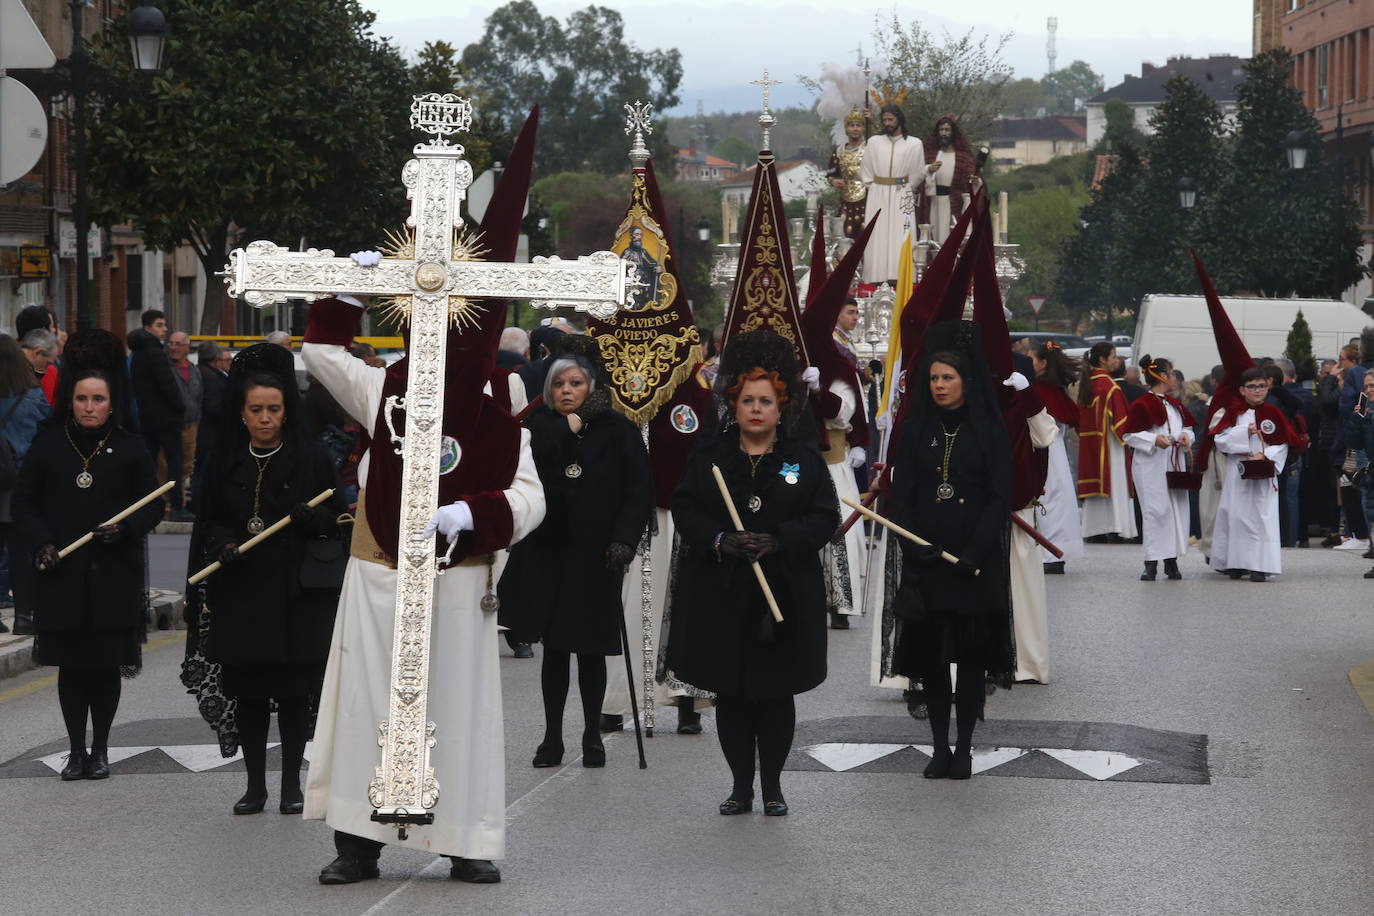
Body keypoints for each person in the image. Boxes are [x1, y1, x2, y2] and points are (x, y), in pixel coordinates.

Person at [668, 343, 837, 816]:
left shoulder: (802, 459)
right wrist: (720, 538)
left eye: (765, 401)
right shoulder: (711, 457)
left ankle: (774, 787)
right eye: (748, 401)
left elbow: (825, 516)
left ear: (781, 407)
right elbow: (686, 508)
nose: (756, 409)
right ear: (733, 406)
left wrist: (779, 539)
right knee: (733, 694)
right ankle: (740, 786)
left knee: (775, 694)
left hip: (784, 592)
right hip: (722, 594)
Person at [182, 344, 344, 815]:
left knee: (294, 695)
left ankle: (292, 784)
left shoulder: (311, 458)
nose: (266, 418)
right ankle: (255, 785)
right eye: (257, 410)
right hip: (243, 591)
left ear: (286, 411)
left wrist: (312, 519)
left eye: (274, 410)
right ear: (242, 413)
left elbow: (337, 517)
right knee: (249, 694)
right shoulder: (223, 461)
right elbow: (208, 518)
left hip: (296, 595)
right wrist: (223, 543)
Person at [14, 330, 162, 780]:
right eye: (82, 399)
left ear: (111, 402)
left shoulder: (131, 447)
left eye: (98, 399)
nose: (90, 407)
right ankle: (75, 751)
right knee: (72, 668)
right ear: (71, 400)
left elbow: (153, 504)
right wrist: (42, 542)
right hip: (63, 572)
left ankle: (101, 750)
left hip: (113, 574)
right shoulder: (49, 444)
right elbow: (24, 503)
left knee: (103, 667)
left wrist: (126, 527)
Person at [498, 355, 652, 767]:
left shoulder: (619, 430)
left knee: (589, 648)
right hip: (548, 551)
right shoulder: (537, 428)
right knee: (555, 650)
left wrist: (624, 541)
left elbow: (637, 491)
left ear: (592, 387)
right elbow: (524, 466)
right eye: (559, 384)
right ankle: (551, 737)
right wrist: (571, 425)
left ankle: (590, 735)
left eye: (576, 383)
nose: (567, 391)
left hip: (598, 554)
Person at [889, 322, 1014, 780]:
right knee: (934, 663)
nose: (939, 386)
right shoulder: (917, 428)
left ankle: (964, 748)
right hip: (929, 564)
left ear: (965, 381)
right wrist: (914, 543)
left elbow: (1000, 496)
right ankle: (939, 747)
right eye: (933, 379)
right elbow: (901, 496)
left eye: (947, 378)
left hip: (973, 566)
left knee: (972, 663)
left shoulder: (987, 430)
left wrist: (976, 551)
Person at [1209, 368, 1296, 582]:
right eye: (1252, 387)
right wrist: (1242, 433)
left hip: (1264, 472)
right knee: (1236, 515)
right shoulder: (1233, 413)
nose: (1257, 391)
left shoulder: (1274, 414)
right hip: (1238, 471)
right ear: (1242, 389)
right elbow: (1220, 440)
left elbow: (1283, 443)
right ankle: (1236, 563)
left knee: (1261, 516)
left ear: (1267, 387)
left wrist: (1264, 455)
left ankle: (1260, 565)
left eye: (1261, 386)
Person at [815, 297, 870, 629]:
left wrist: (818, 391)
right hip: (793, 461)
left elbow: (845, 410)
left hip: (832, 461)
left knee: (840, 529)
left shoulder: (840, 361)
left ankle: (839, 600)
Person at [1122, 357, 1194, 581]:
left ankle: (1171, 561)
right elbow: (1129, 434)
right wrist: (1154, 440)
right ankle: (1151, 561)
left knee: (1175, 510)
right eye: (1172, 374)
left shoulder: (1175, 405)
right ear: (1162, 377)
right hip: (1151, 465)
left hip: (1173, 463)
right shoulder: (1143, 403)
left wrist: (1185, 437)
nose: (1175, 378)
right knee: (1156, 511)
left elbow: (1188, 429)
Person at [0, 335, 51, 633]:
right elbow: (44, 438)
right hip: (21, 485)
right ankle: (23, 616)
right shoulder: (32, 395)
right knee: (21, 553)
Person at [128, 310, 188, 520]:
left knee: (150, 463)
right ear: (148, 328)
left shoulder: (137, 352)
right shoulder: (155, 352)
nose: (164, 329)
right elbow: (167, 384)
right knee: (175, 462)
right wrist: (181, 406)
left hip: (147, 416)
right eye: (160, 325)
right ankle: (177, 506)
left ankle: (147, 504)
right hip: (166, 417)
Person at [1031, 342, 1083, 574]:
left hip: (1044, 449)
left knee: (1048, 499)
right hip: (1054, 450)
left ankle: (1050, 552)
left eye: (1031, 359)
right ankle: (1055, 550)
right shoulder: (1053, 390)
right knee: (1056, 499)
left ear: (1042, 363)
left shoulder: (1040, 390)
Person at [859, 104, 924, 285]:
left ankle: (901, 278)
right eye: (884, 120)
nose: (887, 123)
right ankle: (875, 279)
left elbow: (918, 172)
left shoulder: (914, 143)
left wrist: (905, 189)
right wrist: (874, 187)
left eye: (891, 119)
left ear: (899, 119)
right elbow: (865, 169)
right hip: (877, 193)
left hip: (902, 192)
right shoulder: (874, 142)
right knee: (876, 235)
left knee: (901, 234)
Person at [1077, 342, 1137, 541]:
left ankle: (1095, 529)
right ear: (1102, 359)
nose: (1117, 360)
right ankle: (1115, 526)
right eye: (1114, 356)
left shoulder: (1088, 382)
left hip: (1091, 445)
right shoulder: (1109, 386)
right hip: (1111, 447)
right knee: (1115, 481)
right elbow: (1122, 425)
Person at [919, 115, 976, 245]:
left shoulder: (963, 158)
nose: (943, 133)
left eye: (947, 130)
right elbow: (918, 177)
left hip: (952, 203)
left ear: (953, 133)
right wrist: (928, 169)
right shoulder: (929, 155)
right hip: (932, 202)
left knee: (951, 240)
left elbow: (969, 183)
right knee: (932, 241)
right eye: (941, 130)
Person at [167, 331, 202, 515]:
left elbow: (199, 396)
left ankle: (181, 502)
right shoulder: (166, 368)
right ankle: (166, 504)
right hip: (172, 426)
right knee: (165, 465)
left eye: (177, 344)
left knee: (187, 466)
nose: (173, 347)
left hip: (191, 425)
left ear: (187, 347)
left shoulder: (194, 370)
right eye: (171, 343)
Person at [825, 107, 868, 239]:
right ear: (845, 129)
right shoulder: (839, 151)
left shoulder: (870, 148)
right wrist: (833, 181)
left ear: (863, 128)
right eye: (851, 125)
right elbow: (830, 174)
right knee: (844, 236)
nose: (855, 128)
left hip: (867, 199)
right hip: (845, 201)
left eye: (858, 125)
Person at [16, 305, 61, 404]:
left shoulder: (7, 358)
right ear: (41, 332)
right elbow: (46, 410)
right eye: (51, 326)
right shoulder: (45, 368)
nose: (54, 330)